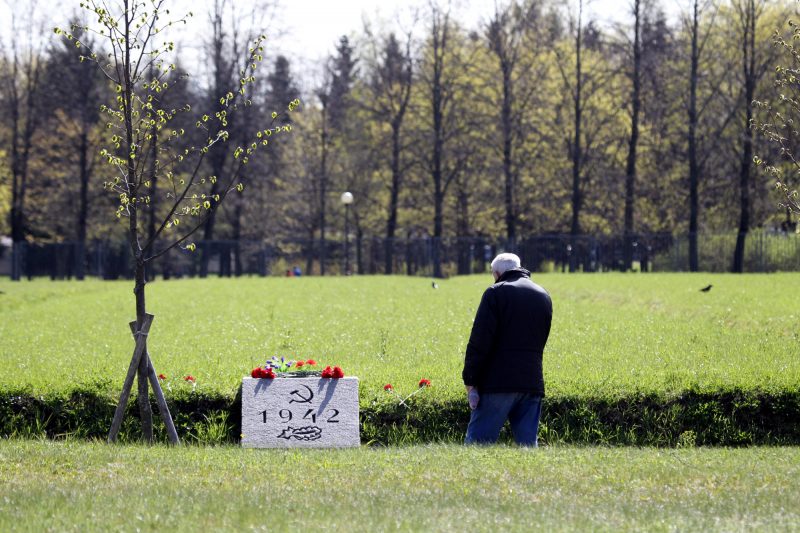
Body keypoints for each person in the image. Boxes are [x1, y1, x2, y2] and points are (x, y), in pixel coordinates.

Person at [462, 253, 552, 446]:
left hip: (497, 383)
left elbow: (480, 341)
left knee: (477, 445)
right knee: (527, 448)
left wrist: (470, 381)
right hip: (532, 382)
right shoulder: (543, 295)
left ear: (496, 273)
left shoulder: (495, 293)